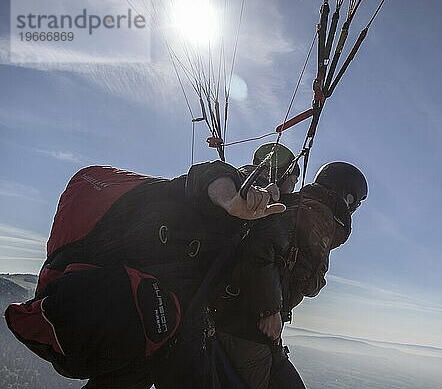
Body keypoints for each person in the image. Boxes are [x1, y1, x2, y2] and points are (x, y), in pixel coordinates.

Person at [5, 159, 285, 388]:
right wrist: (231, 198)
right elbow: (205, 175)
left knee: (135, 364)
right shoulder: (203, 197)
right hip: (154, 305)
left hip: (147, 310)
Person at [208, 161, 368, 389]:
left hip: (250, 325)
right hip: (246, 327)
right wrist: (269, 309)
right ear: (348, 196)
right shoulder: (318, 214)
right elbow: (259, 248)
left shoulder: (302, 206)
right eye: (356, 202)